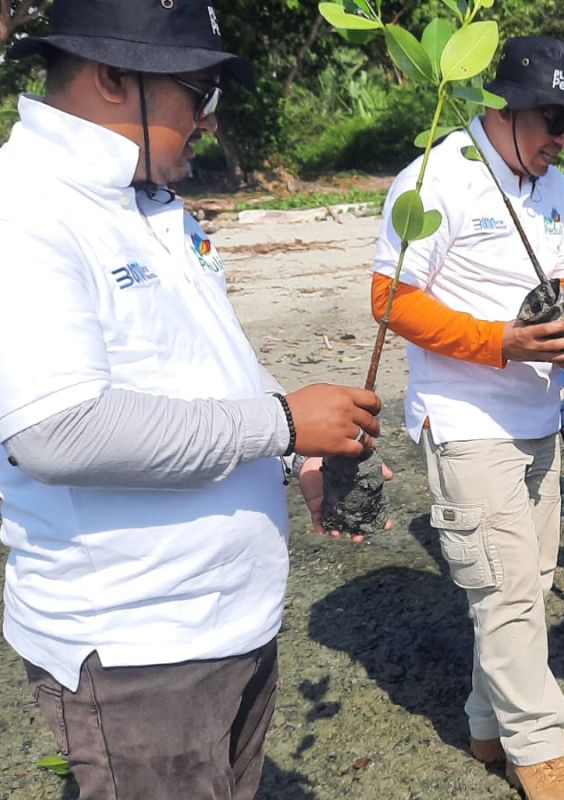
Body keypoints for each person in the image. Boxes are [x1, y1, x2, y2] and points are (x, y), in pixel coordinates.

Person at [0, 2, 384, 798]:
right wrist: (280, 421)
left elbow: (209, 369)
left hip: (227, 624)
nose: (209, 121)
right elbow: (56, 430)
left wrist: (296, 452)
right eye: (199, 93)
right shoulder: (27, 211)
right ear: (113, 77)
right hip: (139, 652)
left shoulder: (148, 204)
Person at [369, 35, 564, 800]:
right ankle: (535, 746)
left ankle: (488, 722)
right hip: (466, 418)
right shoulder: (435, 180)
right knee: (505, 588)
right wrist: (497, 343)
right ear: (504, 107)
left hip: (539, 415)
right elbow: (389, 299)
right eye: (553, 122)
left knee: (527, 580)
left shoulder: (555, 186)